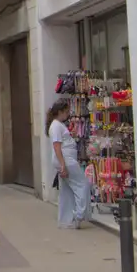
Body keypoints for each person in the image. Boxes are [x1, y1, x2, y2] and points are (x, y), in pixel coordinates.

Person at [48, 98, 89, 229]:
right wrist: (63, 165)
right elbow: (57, 146)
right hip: (66, 160)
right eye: (66, 112)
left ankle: (66, 219)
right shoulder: (56, 126)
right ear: (60, 112)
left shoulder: (57, 125)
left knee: (67, 189)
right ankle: (78, 215)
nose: (68, 115)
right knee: (83, 185)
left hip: (65, 160)